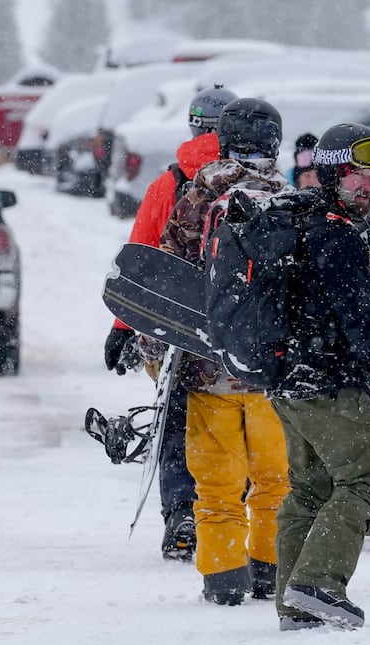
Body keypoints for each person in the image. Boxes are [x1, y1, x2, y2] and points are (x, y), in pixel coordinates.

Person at [268, 122, 370, 631]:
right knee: (365, 486)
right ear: (334, 171)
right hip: (328, 385)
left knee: (310, 491)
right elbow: (361, 320)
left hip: (287, 383)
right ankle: (318, 584)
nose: (368, 185)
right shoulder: (335, 235)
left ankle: (295, 604)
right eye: (358, 173)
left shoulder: (299, 222)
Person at [145, 97, 292, 606]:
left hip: (208, 371)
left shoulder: (197, 195)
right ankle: (270, 573)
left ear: (223, 139)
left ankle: (224, 581)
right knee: (276, 482)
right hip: (271, 374)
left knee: (217, 489)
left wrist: (151, 348)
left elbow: (166, 276)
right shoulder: (291, 199)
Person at [102, 84, 238, 561]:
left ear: (194, 127)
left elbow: (139, 261)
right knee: (238, 423)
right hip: (239, 332)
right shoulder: (261, 182)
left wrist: (122, 330)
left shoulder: (168, 185)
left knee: (179, 421)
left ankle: (183, 511)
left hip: (175, 331)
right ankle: (232, 511)